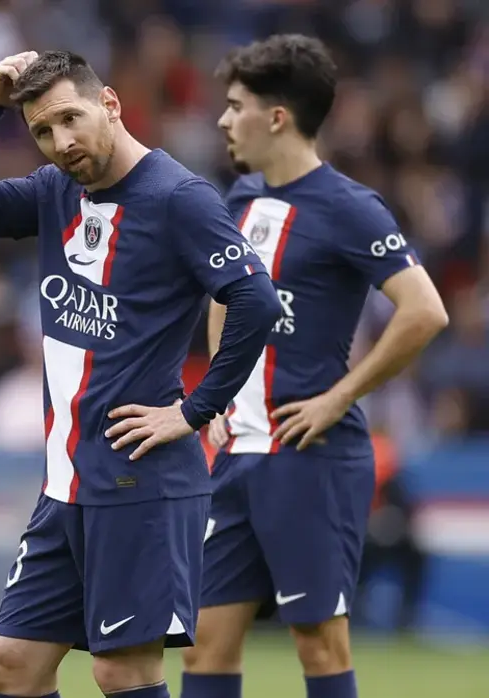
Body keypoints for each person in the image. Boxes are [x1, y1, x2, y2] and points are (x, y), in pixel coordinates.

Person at [0, 50, 282, 698]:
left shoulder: (177, 197)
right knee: (11, 665)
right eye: (42, 131)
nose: (61, 142)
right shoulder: (55, 190)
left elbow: (255, 300)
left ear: (111, 104)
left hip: (139, 480)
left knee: (122, 671)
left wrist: (193, 411)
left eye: (71, 118)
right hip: (66, 483)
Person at [179, 35, 448, 698]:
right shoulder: (239, 195)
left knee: (319, 646)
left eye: (235, 105)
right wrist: (217, 390)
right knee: (202, 646)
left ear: (277, 117)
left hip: (311, 453)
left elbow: (425, 311)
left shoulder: (349, 207)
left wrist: (339, 396)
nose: (222, 119)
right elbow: (225, 293)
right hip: (237, 452)